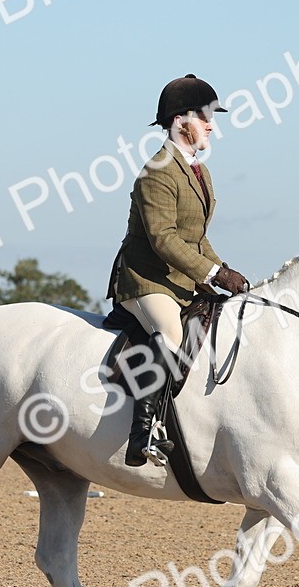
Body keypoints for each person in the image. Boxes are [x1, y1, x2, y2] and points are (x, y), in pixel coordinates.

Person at [107, 74, 250, 467]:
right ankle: (142, 434)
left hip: (181, 278)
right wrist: (214, 274)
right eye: (205, 117)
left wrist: (224, 270)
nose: (211, 126)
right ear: (180, 120)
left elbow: (197, 238)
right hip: (146, 278)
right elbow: (164, 239)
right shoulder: (157, 171)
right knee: (171, 331)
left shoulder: (199, 171)